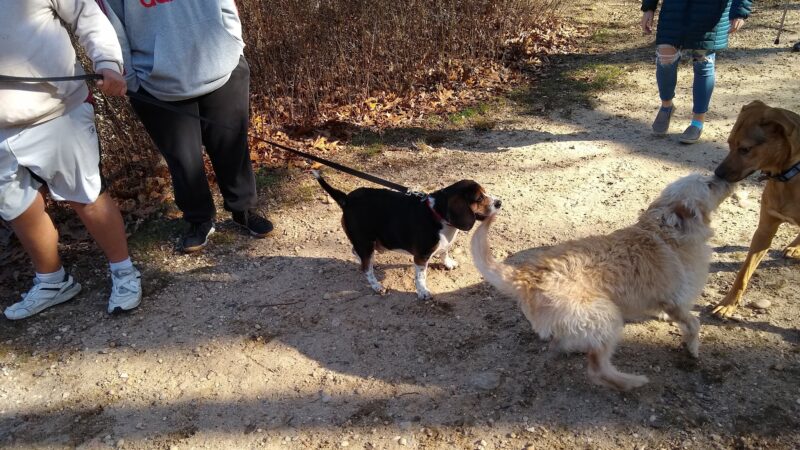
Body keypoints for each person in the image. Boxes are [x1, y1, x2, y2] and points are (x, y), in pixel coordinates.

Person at [1, 0, 142, 320]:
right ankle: (52, 281)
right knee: (18, 209)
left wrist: (107, 61)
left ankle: (124, 272)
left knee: (88, 197)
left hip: (58, 113)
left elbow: (87, 15)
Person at [98, 0, 273, 253]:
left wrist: (235, 43)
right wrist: (132, 80)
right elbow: (111, 26)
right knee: (183, 160)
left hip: (223, 64)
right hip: (157, 81)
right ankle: (199, 220)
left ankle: (243, 209)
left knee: (231, 146)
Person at [642, 0, 753, 144]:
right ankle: (666, 106)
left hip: (709, 14)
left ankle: (697, 122)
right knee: (665, 57)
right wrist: (648, 8)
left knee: (702, 63)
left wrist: (740, 12)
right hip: (674, 9)